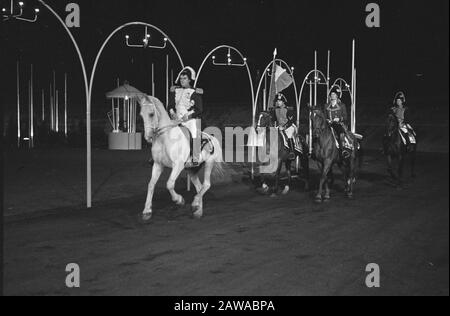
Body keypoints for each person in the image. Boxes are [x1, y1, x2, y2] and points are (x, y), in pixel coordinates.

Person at [168, 66, 203, 167]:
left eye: (184, 78)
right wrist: (172, 112)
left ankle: (195, 157)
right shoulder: (175, 91)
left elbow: (199, 109)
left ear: (189, 79)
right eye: (181, 78)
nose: (182, 80)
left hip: (189, 120)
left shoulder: (194, 92)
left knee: (194, 132)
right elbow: (170, 105)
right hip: (176, 119)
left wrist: (188, 116)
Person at [325, 86, 353, 159]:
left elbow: (345, 116)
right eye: (331, 94)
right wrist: (327, 119)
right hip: (329, 124)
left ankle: (343, 149)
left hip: (338, 124)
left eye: (334, 94)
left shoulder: (342, 105)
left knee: (340, 133)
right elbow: (325, 115)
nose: (332, 96)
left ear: (337, 96)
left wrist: (339, 119)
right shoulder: (326, 105)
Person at [270, 93, 299, 160]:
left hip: (289, 126)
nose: (278, 102)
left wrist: (284, 127)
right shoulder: (275, 110)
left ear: (283, 102)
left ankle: (292, 152)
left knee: (289, 135)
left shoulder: (288, 109)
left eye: (280, 101)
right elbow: (273, 119)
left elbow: (290, 121)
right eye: (277, 101)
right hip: (279, 126)